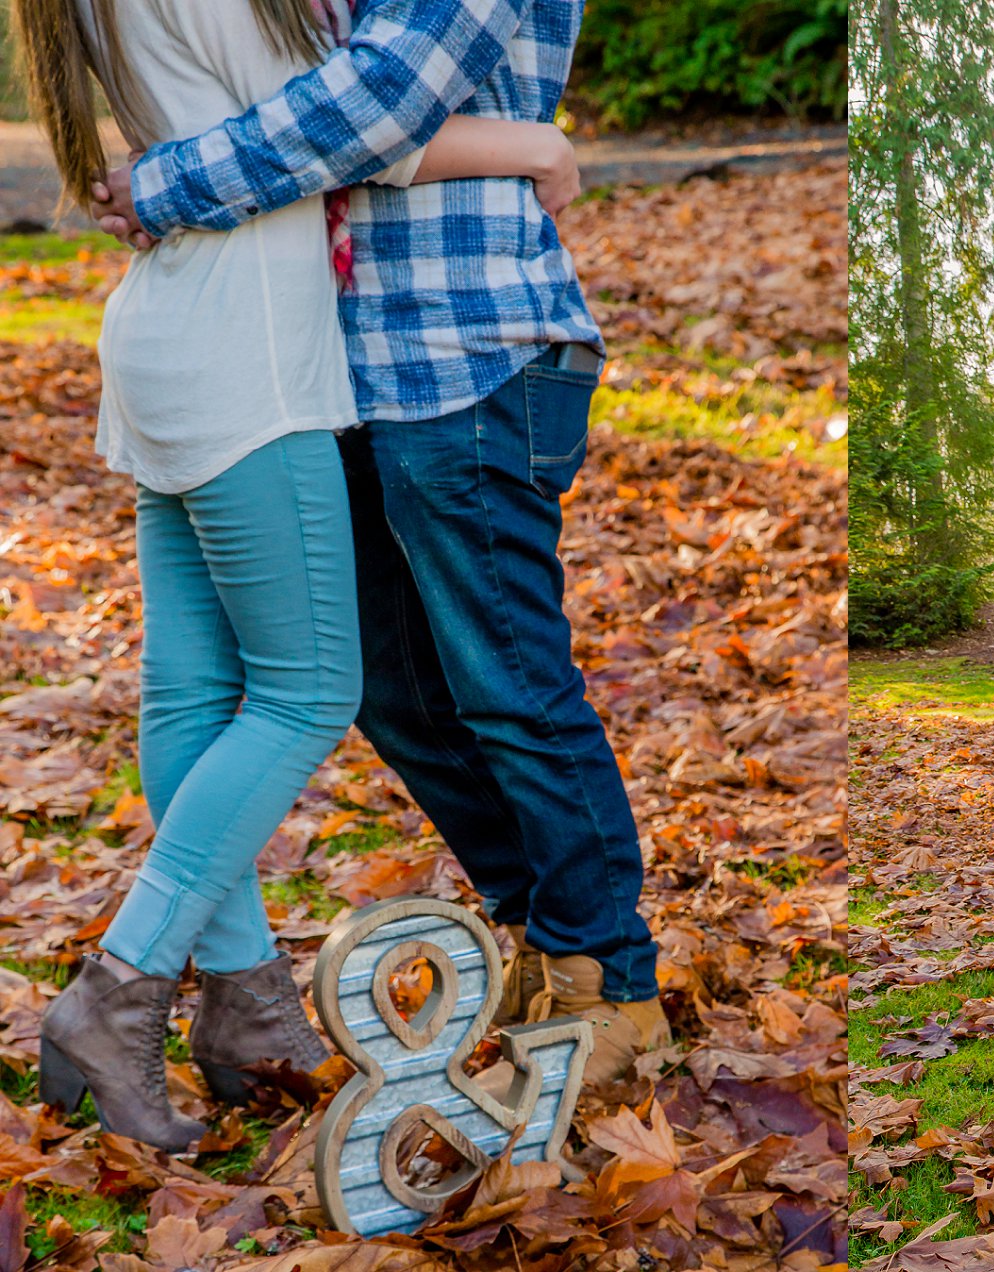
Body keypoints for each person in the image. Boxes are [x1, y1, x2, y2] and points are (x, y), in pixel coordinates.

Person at [14, 0, 593, 1151]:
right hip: (251, 351)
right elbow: (347, 121)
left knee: (193, 695)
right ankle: (121, 988)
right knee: (306, 692)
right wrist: (535, 143)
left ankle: (246, 1007)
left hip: (169, 331)